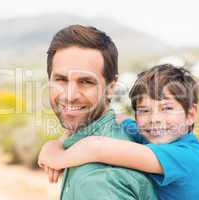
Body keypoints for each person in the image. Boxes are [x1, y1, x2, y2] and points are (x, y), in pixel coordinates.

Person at [39, 64, 199, 200]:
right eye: (144, 110)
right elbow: (116, 118)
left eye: (167, 108)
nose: (154, 119)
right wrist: (52, 145)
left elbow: (97, 147)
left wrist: (57, 158)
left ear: (190, 114)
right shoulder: (151, 134)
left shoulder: (188, 157)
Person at [37, 24, 157, 200]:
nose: (70, 96)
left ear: (111, 88)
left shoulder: (98, 182)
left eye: (86, 82)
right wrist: (54, 147)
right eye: (61, 80)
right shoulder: (118, 130)